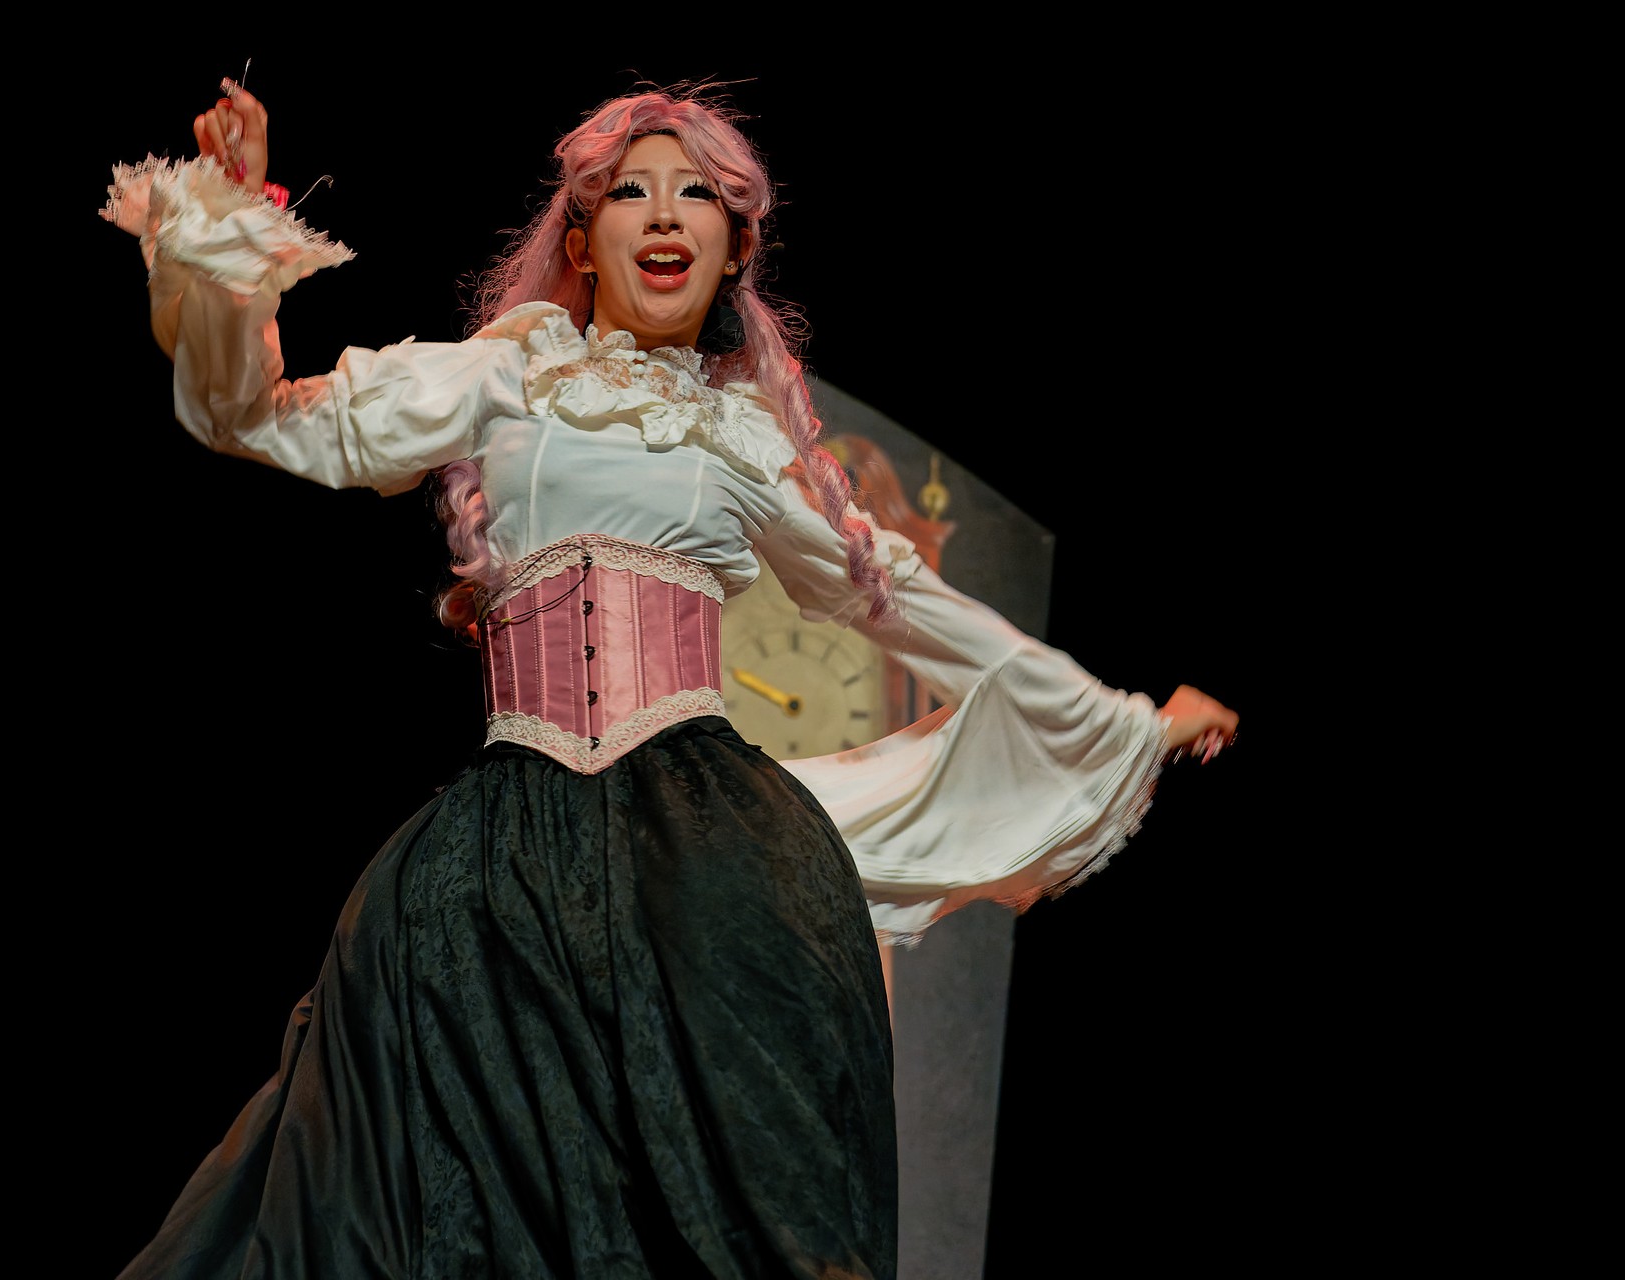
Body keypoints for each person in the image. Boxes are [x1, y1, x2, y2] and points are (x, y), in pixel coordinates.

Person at [97, 76, 1238, 1280]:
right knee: (416, 1175)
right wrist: (227, 219)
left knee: (733, 1198)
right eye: (630, 192)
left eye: (695, 195)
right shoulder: (508, 373)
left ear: (733, 245)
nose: (663, 214)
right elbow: (253, 415)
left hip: (700, 843)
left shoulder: (739, 437)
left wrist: (1126, 722)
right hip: (500, 855)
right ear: (582, 239)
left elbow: (906, 600)